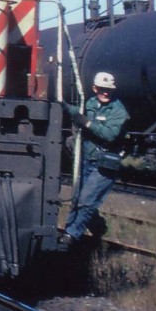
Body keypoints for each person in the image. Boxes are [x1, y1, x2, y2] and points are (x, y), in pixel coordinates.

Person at [61, 71, 129, 247]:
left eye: (109, 89)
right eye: (102, 88)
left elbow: (110, 134)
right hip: (86, 159)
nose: (105, 92)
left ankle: (70, 235)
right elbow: (77, 112)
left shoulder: (118, 111)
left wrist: (88, 123)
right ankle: (98, 229)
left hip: (105, 164)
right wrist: (63, 105)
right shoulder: (90, 103)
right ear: (95, 88)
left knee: (87, 200)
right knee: (78, 199)